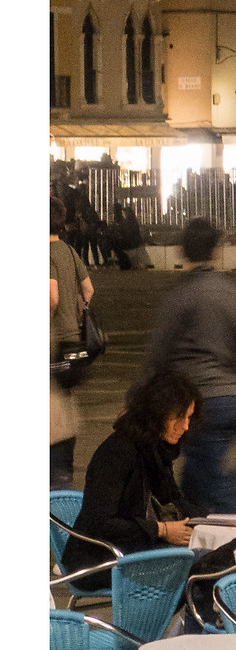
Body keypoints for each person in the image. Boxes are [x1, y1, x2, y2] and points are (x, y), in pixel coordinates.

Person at [138, 217, 236, 514]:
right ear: (216, 251)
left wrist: (138, 398)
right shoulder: (233, 292)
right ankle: (199, 532)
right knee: (197, 475)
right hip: (234, 396)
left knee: (216, 482)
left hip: (201, 398)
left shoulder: (182, 296)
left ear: (181, 251)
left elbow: (158, 354)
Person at [65, 366, 199, 574]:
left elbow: (173, 501)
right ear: (157, 414)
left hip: (136, 550)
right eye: (180, 417)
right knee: (200, 566)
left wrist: (222, 523)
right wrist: (162, 530)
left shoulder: (153, 448)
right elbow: (99, 523)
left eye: (189, 418)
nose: (186, 426)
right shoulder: (118, 452)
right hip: (102, 560)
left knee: (216, 554)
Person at [50, 198, 95, 486]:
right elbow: (88, 290)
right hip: (74, 344)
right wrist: (76, 312)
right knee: (64, 408)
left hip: (54, 345)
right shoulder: (67, 250)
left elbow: (50, 296)